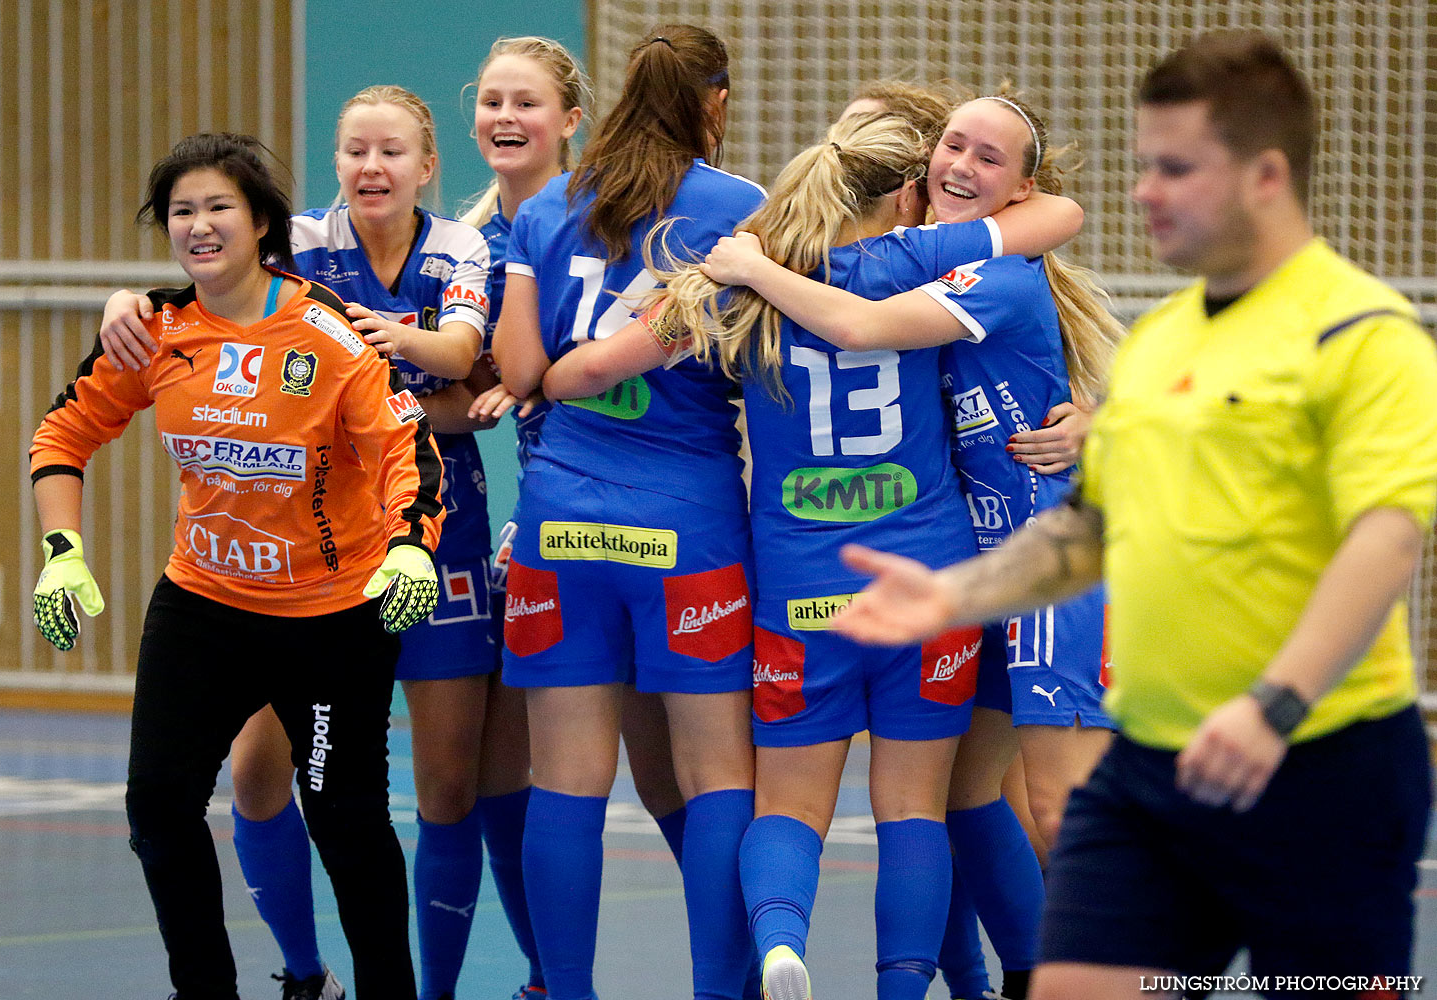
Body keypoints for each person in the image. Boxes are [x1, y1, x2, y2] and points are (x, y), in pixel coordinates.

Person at [831, 30, 1437, 1000]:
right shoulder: (1157, 345)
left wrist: (1275, 701)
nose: (1146, 190)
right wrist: (950, 592)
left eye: (1176, 168)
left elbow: (1386, 538)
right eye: (1147, 165)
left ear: (1266, 175)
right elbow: (1084, 533)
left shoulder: (1361, 332)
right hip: (1153, 760)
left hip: (1320, 751)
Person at [540, 104, 1082, 1000]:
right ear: (904, 192)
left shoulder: (741, 286)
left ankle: (782, 944)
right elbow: (1048, 221)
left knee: (789, 806)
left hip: (802, 587)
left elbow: (608, 363)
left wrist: (542, 383)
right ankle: (911, 986)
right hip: (928, 575)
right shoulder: (925, 263)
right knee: (918, 809)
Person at [702, 89, 1124, 1000]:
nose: (961, 167)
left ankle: (1110, 973)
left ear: (1021, 187)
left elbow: (849, 323)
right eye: (950, 148)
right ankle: (996, 979)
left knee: (1045, 806)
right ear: (907, 177)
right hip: (956, 571)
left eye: (988, 157)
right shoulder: (913, 266)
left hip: (1039, 565)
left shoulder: (956, 272)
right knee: (956, 803)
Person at [96, 87, 497, 1000]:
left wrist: (389, 348)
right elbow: (211, 275)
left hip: (425, 534)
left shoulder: (460, 249)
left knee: (437, 791)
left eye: (391, 152)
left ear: (428, 166)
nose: (371, 168)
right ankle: (303, 973)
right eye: (354, 150)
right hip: (281, 561)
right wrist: (126, 299)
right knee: (254, 779)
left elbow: (463, 360)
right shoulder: (304, 243)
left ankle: (422, 988)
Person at [491, 24, 765, 1000]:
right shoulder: (743, 211)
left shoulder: (544, 209)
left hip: (560, 526)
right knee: (716, 779)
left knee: (564, 781)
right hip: (685, 528)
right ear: (714, 102)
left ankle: (565, 989)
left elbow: (520, 375)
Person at [457, 37, 693, 999]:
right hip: (548, 523)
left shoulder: (611, 218)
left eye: (528, 102)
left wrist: (535, 382)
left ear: (571, 119)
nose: (506, 118)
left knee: (662, 772)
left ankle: (752, 946)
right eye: (492, 101)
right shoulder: (466, 242)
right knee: (500, 778)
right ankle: (553, 978)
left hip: (636, 519)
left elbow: (537, 373)